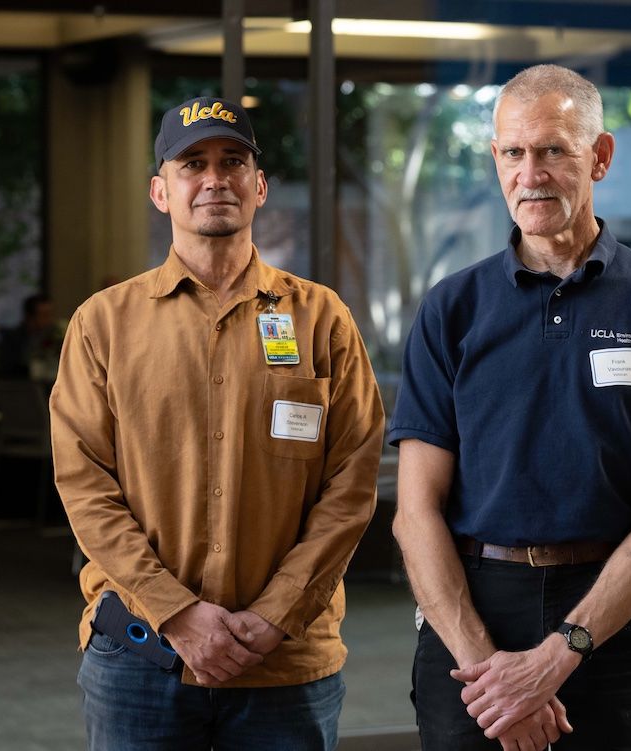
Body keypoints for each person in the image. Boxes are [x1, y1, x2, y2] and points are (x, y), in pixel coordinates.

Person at [389, 65, 631, 751]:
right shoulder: (451, 310)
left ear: (600, 156)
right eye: (512, 152)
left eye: (552, 151)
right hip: (474, 617)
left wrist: (555, 657)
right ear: (494, 159)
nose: (529, 173)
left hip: (618, 621)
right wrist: (492, 673)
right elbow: (415, 514)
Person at [50, 96, 385, 750]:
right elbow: (84, 486)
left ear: (259, 186)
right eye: (192, 164)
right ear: (160, 192)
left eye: (233, 162)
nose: (214, 179)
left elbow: (352, 483)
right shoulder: (103, 324)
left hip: (284, 661)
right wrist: (176, 612)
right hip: (141, 655)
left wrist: (276, 613)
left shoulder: (322, 319)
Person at [0, 293, 59, 378]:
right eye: (44, 315)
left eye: (50, 314)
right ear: (30, 316)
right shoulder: (12, 339)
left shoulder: (52, 336)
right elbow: (8, 370)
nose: (49, 319)